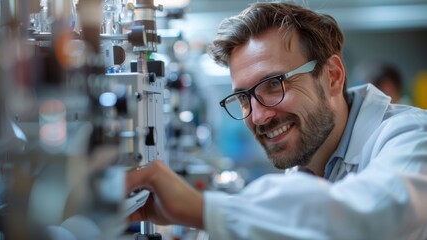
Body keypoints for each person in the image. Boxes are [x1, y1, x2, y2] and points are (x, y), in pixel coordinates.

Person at [126, 2, 427, 239]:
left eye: (274, 84)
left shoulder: (411, 136)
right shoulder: (307, 165)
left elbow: (373, 217)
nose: (258, 116)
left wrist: (202, 209)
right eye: (243, 97)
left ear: (332, 77)